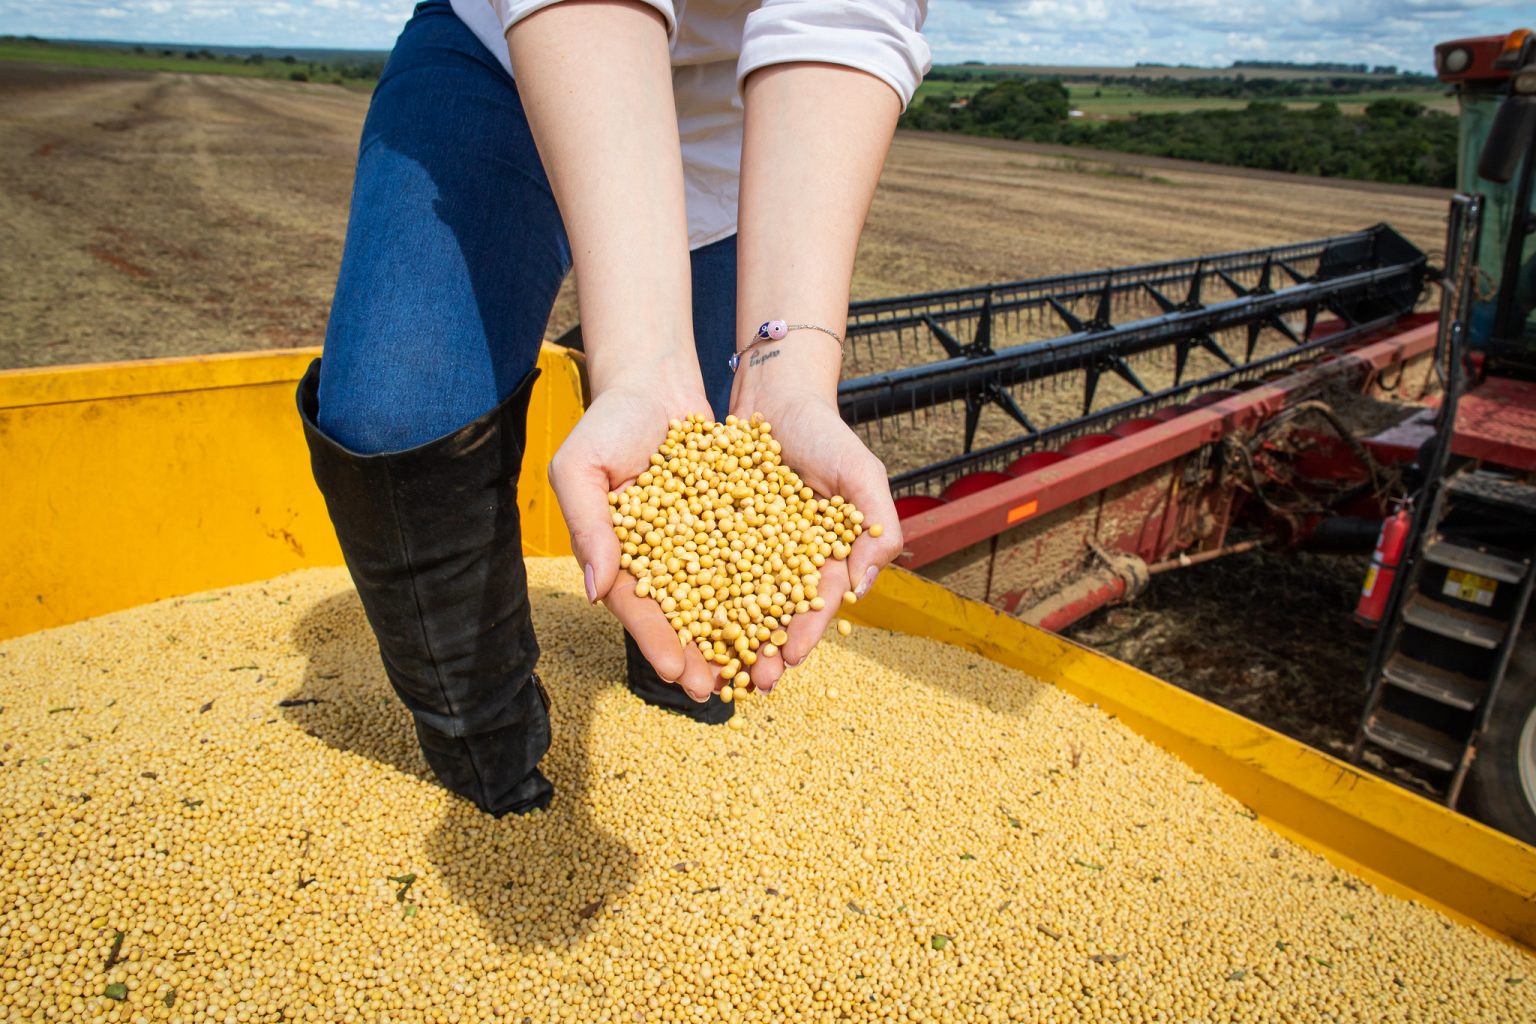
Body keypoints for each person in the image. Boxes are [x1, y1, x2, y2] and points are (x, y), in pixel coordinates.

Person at [296, 0, 928, 816]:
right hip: (509, 55)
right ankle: (487, 748)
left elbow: (841, 20)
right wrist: (642, 363)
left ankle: (670, 685)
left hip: (746, 118)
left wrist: (790, 374)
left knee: (701, 629)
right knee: (396, 414)